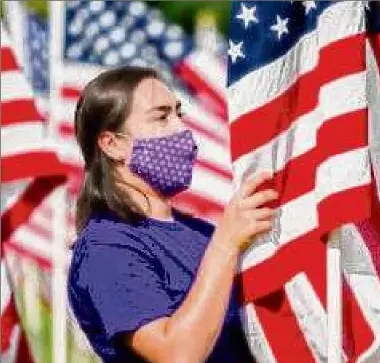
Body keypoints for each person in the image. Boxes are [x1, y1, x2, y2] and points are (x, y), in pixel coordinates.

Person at [67, 66, 278, 363]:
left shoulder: (202, 233)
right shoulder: (106, 247)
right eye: (161, 116)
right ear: (112, 144)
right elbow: (176, 355)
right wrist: (226, 245)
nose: (182, 130)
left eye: (180, 114)